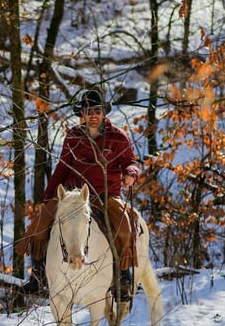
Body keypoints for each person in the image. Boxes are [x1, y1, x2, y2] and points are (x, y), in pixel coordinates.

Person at [16, 88, 140, 300]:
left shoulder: (118, 137)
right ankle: (39, 276)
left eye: (97, 110)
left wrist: (130, 173)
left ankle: (123, 277)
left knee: (124, 225)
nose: (93, 115)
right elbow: (62, 168)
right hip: (74, 195)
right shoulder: (73, 136)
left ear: (104, 112)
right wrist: (48, 198)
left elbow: (130, 162)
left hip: (106, 195)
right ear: (82, 113)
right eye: (89, 110)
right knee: (40, 222)